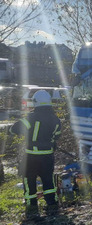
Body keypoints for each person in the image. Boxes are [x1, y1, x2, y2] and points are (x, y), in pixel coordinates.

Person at [10, 90, 62, 218]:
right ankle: (52, 203)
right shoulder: (55, 119)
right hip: (48, 156)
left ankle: (32, 205)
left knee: (29, 180)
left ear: (35, 102)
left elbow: (14, 129)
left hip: (31, 156)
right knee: (48, 180)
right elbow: (57, 136)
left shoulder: (31, 117)